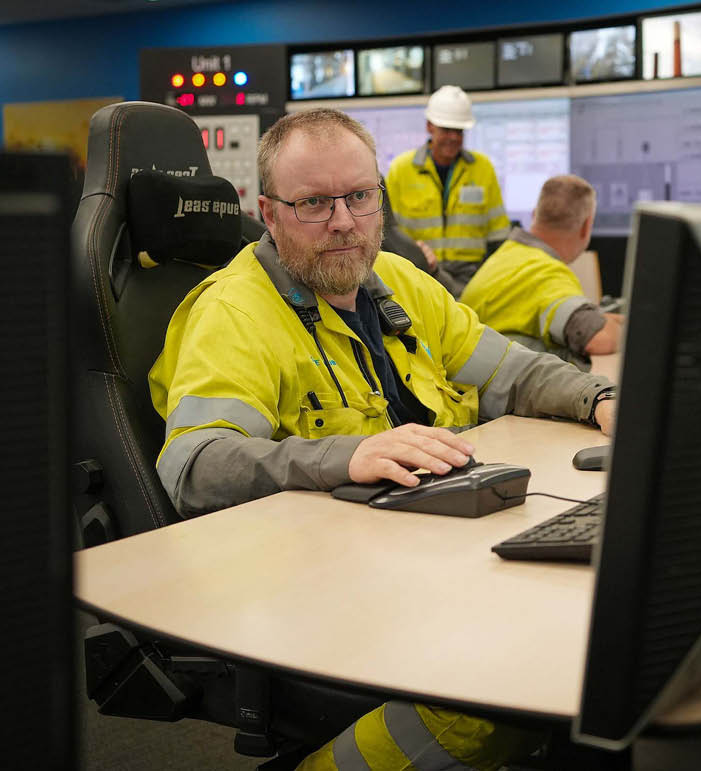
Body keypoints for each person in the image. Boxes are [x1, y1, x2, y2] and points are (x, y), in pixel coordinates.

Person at [148, 108, 615, 770]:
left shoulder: (399, 284)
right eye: (313, 202)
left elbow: (513, 371)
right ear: (269, 212)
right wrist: (344, 454)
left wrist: (598, 397)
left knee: (585, 630)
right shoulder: (232, 313)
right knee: (498, 689)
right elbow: (196, 465)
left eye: (359, 197)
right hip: (321, 594)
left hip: (430, 557)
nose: (342, 221)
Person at [459, 175, 624, 369]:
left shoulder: (506, 256)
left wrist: (602, 316)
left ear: (534, 214)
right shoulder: (546, 272)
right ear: (586, 227)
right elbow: (598, 339)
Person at [384, 85, 510, 293]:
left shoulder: (482, 168)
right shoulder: (401, 169)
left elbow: (498, 235)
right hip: (419, 275)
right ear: (429, 127)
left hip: (471, 280)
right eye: (446, 130)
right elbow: (390, 234)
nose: (453, 138)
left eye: (459, 131)